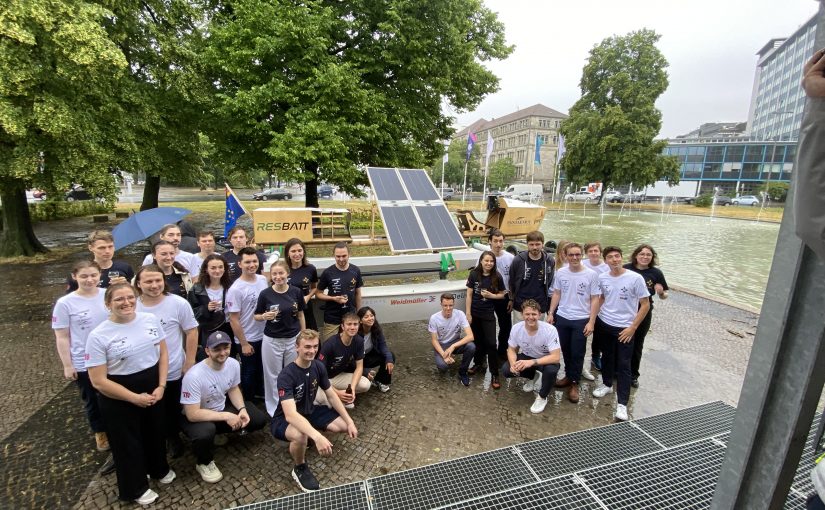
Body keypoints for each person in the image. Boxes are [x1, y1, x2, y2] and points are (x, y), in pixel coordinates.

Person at [85, 283, 174, 505]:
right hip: (119, 393)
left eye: (130, 297)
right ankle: (134, 488)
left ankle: (158, 468)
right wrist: (133, 397)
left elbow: (163, 353)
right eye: (119, 299)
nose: (126, 303)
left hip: (153, 384)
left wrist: (161, 385)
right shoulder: (98, 336)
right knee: (127, 442)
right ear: (108, 304)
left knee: (155, 432)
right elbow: (98, 380)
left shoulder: (149, 320)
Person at [271, 330, 358, 492]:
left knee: (342, 426)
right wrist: (317, 436)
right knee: (299, 434)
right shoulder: (286, 375)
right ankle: (300, 467)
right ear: (297, 347)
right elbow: (290, 415)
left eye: (315, 347)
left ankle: (307, 437)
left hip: (309, 411)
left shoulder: (318, 366)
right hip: (283, 419)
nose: (312, 351)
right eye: (307, 347)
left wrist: (350, 421)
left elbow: (331, 395)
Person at [179, 331, 268, 483]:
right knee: (205, 432)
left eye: (225, 348)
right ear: (207, 351)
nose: (222, 353)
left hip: (219, 407)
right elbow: (192, 414)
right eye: (216, 349)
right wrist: (227, 416)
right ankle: (204, 462)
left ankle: (219, 432)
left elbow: (233, 389)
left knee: (258, 419)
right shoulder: (193, 376)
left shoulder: (233, 363)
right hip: (196, 416)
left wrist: (241, 409)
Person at [135, 264, 199, 458]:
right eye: (148, 281)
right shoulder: (133, 305)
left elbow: (191, 331)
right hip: (142, 369)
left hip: (172, 367)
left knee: (171, 406)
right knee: (148, 408)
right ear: (138, 283)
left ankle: (173, 437)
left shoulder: (178, 303)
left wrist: (189, 361)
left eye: (158, 280)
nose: (154, 285)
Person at [53, 261, 110, 451]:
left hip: (111, 356)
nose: (89, 279)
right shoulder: (65, 303)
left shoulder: (107, 295)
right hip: (84, 359)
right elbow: (62, 336)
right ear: (74, 276)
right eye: (84, 276)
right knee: (92, 399)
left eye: (93, 275)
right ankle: (100, 431)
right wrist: (67, 365)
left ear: (100, 274)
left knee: (112, 395)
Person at [591, 246, 650, 422]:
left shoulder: (635, 278)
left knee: (624, 365)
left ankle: (622, 403)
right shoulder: (602, 277)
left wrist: (633, 327)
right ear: (606, 260)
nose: (614, 260)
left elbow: (645, 304)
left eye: (617, 256)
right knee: (607, 357)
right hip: (605, 323)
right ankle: (607, 384)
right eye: (610, 257)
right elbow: (601, 297)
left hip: (625, 327)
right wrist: (593, 319)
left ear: (622, 258)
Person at [547, 242, 600, 403]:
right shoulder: (561, 272)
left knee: (577, 352)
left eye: (577, 254)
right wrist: (551, 313)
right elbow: (556, 293)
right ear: (566, 256)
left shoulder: (591, 274)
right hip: (563, 316)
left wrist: (591, 321)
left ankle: (575, 383)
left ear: (582, 255)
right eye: (571, 255)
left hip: (581, 318)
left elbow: (595, 298)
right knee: (565, 350)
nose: (575, 257)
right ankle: (568, 376)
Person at [254, 260, 306, 416]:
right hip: (272, 340)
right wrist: (264, 316)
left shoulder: (296, 292)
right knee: (272, 375)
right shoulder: (266, 294)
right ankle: (275, 408)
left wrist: (303, 336)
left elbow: (301, 314)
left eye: (281, 273)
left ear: (287, 274)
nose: (278, 276)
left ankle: (292, 404)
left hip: (293, 338)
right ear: (271, 275)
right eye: (274, 273)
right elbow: (256, 316)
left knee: (292, 373)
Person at [501, 299, 561, 414]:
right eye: (527, 314)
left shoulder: (550, 330)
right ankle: (532, 377)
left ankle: (542, 397)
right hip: (527, 356)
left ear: (539, 314)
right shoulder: (516, 328)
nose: (530, 317)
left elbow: (556, 357)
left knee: (551, 371)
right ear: (522, 315)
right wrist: (513, 364)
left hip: (545, 360)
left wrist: (532, 362)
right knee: (506, 369)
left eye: (534, 314)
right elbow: (511, 349)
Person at [226, 247, 269, 400]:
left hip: (264, 334)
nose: (252, 265)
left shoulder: (263, 280)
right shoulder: (236, 289)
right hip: (247, 337)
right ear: (240, 264)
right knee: (249, 371)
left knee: (262, 368)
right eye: (247, 262)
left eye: (254, 261)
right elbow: (233, 319)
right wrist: (243, 343)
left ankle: (261, 394)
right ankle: (248, 401)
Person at [624, 244, 668, 388]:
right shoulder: (626, 268)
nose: (645, 257)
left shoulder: (656, 273)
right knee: (621, 341)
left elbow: (664, 295)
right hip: (624, 310)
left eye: (648, 255)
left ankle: (633, 374)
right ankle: (617, 371)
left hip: (643, 312)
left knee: (637, 343)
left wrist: (661, 292)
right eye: (642, 254)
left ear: (652, 257)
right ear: (636, 255)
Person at [466, 250, 507, 389]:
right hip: (475, 314)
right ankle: (478, 364)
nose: (489, 263)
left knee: (491, 343)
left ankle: (494, 373)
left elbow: (502, 295)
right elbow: (469, 295)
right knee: (477, 341)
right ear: (481, 261)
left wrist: (491, 296)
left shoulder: (497, 276)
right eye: (486, 261)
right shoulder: (474, 274)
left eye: (491, 261)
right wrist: (468, 313)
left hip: (488, 314)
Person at [315, 312, 371, 409]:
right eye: (349, 324)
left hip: (338, 377)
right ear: (343, 326)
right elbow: (318, 373)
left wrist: (352, 389)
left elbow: (359, 367)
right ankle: (336, 397)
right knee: (326, 403)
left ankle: (343, 396)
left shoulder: (358, 341)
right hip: (322, 380)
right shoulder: (330, 344)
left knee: (365, 384)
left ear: (359, 325)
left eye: (355, 324)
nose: (352, 327)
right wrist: (337, 392)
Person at [188, 254, 234, 360]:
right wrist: (206, 309)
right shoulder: (197, 288)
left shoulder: (231, 286)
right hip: (208, 330)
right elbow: (190, 313)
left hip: (228, 327)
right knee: (209, 359)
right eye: (213, 268)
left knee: (228, 358)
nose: (217, 270)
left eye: (220, 267)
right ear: (206, 270)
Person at [316, 242, 363, 341]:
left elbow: (358, 293)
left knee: (349, 346)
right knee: (329, 346)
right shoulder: (328, 272)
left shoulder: (355, 270)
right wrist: (333, 298)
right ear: (333, 255)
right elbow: (318, 294)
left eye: (344, 256)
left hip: (350, 316)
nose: (341, 259)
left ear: (349, 254)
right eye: (338, 256)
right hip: (332, 318)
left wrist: (359, 314)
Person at [428, 293, 476, 386]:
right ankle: (444, 361)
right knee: (443, 367)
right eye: (445, 305)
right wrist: (444, 354)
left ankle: (462, 372)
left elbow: (471, 336)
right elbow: (434, 340)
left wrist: (453, 346)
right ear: (441, 305)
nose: (448, 308)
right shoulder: (434, 318)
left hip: (455, 342)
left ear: (454, 304)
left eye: (451, 305)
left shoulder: (460, 314)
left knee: (471, 346)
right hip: (441, 345)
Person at [509, 230, 555, 322]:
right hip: (520, 304)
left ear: (543, 244)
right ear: (527, 244)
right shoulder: (518, 260)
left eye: (538, 244)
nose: (535, 247)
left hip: (540, 304)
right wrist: (511, 299)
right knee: (520, 332)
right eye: (532, 244)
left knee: (537, 332)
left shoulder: (549, 260)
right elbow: (512, 281)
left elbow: (549, 281)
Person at [66, 230, 134, 292]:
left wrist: (126, 285)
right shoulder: (81, 272)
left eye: (110, 247)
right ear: (91, 248)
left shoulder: (125, 267)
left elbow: (134, 292)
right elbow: (71, 298)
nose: (107, 251)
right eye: (102, 248)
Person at [488, 229, 514, 362]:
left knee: (505, 326)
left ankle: (502, 351)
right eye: (495, 241)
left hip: (504, 297)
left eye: (501, 241)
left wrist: (511, 298)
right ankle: (487, 352)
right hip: (488, 297)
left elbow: (513, 280)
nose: (498, 244)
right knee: (488, 326)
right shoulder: (484, 257)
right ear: (490, 242)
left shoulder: (510, 258)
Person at [357, 306, 396, 393]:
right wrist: (365, 371)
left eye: (371, 315)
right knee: (363, 379)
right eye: (366, 317)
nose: (370, 318)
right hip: (357, 361)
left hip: (368, 356)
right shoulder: (355, 333)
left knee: (390, 356)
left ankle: (381, 381)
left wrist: (389, 359)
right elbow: (351, 359)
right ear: (360, 320)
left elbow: (383, 346)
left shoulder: (376, 329)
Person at [284, 238, 319, 331]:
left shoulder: (310, 268)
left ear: (304, 252)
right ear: (288, 253)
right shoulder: (283, 270)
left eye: (300, 250)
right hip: (288, 309)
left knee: (309, 336)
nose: (297, 254)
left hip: (306, 308)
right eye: (293, 251)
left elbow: (314, 288)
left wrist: (308, 296)